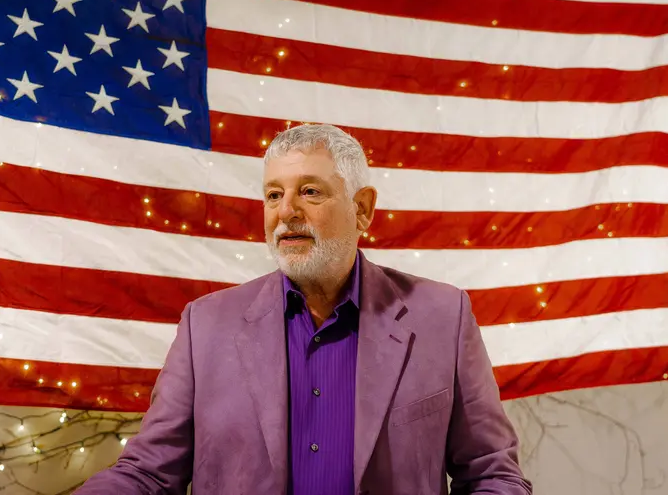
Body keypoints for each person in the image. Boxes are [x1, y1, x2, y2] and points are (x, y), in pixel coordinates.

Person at [74, 124, 533, 495]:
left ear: (364, 209)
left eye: (310, 192)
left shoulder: (441, 316)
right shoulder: (205, 325)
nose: (286, 211)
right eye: (273, 195)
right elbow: (149, 474)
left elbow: (491, 474)